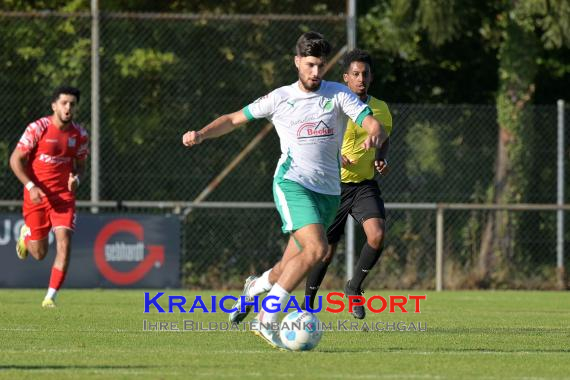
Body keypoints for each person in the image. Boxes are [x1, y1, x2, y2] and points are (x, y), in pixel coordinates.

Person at [182, 32, 387, 349]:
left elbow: (370, 121)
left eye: (320, 66)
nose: (315, 73)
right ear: (297, 63)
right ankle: (267, 317)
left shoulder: (338, 94)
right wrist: (202, 134)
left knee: (285, 268)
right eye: (309, 65)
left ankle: (255, 287)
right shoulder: (280, 97)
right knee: (318, 250)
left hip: (328, 193)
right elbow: (234, 119)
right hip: (292, 183)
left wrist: (375, 133)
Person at [232, 49, 393, 321]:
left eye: (365, 73)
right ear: (346, 77)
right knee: (320, 253)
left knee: (374, 235)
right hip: (329, 186)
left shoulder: (377, 108)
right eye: (355, 74)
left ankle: (353, 289)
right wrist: (335, 155)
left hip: (363, 185)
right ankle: (298, 305)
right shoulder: (335, 97)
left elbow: (382, 133)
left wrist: (380, 155)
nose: (361, 78)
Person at [10, 86, 89, 308]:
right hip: (36, 196)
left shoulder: (80, 135)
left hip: (63, 199)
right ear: (54, 105)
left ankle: (50, 297)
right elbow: (15, 160)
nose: (68, 108)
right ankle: (26, 238)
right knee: (39, 253)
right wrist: (31, 186)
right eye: (64, 103)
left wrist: (77, 179)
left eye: (72, 104)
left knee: (64, 242)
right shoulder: (38, 128)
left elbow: (81, 167)